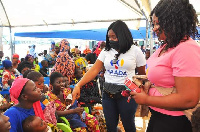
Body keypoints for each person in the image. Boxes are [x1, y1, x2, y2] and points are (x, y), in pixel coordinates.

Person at [130, 0, 200, 132]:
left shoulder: (186, 48)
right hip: (159, 116)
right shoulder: (166, 46)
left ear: (175, 21)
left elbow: (188, 99)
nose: (155, 28)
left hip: (175, 122)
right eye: (154, 23)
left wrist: (147, 99)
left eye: (159, 23)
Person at [72, 20, 146, 132]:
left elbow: (141, 74)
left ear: (123, 35)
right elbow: (94, 70)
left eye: (114, 37)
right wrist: (78, 85)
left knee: (128, 125)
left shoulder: (135, 51)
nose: (111, 40)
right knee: (110, 126)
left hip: (127, 94)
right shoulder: (106, 51)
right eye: (109, 37)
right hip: (108, 93)